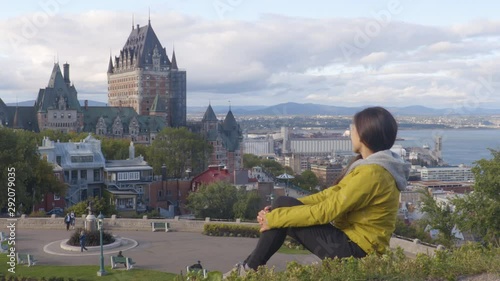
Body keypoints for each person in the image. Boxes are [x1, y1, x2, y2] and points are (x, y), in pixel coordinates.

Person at [224, 107, 410, 277]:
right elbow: (328, 195)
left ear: (364, 134)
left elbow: (326, 211)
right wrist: (276, 214)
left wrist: (274, 219)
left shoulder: (373, 173)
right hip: (353, 244)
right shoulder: (371, 167)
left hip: (357, 253)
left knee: (281, 211)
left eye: (352, 129)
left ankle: (247, 271)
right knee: (282, 204)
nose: (350, 134)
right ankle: (249, 269)